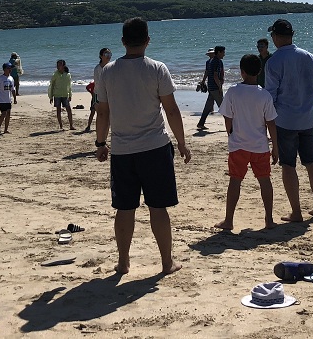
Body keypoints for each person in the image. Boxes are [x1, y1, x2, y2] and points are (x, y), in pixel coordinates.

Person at [94, 17, 191, 275]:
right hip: (155, 148)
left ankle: (123, 262)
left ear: (123, 41)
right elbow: (171, 110)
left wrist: (101, 143)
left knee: (124, 208)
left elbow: (102, 112)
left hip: (123, 151)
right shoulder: (157, 68)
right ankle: (167, 262)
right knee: (158, 207)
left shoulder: (107, 72)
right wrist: (181, 143)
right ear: (148, 40)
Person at [263, 18, 313, 222]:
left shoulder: (274, 61)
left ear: (276, 37)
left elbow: (270, 96)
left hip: (285, 121)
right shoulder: (309, 57)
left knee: (288, 165)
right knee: (312, 163)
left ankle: (296, 211)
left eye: (273, 35)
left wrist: (266, 121)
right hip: (307, 119)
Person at [215, 54, 279, 232]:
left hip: (238, 145)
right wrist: (275, 146)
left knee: (235, 181)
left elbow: (227, 118)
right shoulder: (264, 95)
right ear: (259, 71)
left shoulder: (233, 92)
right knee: (264, 180)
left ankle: (229, 220)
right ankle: (269, 219)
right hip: (260, 145)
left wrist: (230, 133)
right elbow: (271, 123)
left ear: (241, 71)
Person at [197, 45, 225, 130]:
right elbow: (215, 76)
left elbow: (208, 73)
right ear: (219, 52)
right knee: (223, 107)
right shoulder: (217, 61)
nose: (224, 54)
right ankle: (232, 125)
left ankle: (201, 123)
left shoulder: (211, 62)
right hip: (215, 87)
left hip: (211, 86)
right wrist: (219, 87)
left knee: (208, 107)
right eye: (223, 52)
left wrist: (203, 81)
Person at [85, 47, 111, 133]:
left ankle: (106, 131)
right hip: (98, 94)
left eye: (109, 54)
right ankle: (97, 132)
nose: (108, 56)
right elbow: (98, 83)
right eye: (106, 54)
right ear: (101, 56)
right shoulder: (97, 68)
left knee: (108, 114)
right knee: (99, 114)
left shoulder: (111, 67)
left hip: (109, 94)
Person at [49, 59, 75, 131]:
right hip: (57, 95)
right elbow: (51, 85)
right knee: (58, 110)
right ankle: (61, 126)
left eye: (59, 65)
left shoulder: (67, 75)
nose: (58, 66)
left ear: (63, 66)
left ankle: (71, 125)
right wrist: (51, 96)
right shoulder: (55, 74)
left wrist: (70, 95)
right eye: (57, 65)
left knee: (68, 110)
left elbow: (69, 86)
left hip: (65, 94)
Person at [0, 63, 15, 135]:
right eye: (8, 68)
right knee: (4, 113)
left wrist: (15, 98)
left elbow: (13, 89)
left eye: (11, 68)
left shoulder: (11, 78)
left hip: (8, 99)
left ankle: (6, 130)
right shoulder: (0, 78)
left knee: (8, 114)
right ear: (4, 69)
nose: (10, 70)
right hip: (1, 100)